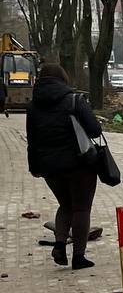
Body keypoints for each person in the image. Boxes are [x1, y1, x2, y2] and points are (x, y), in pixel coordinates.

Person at [26, 63, 101, 269]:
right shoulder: (74, 100)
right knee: (81, 208)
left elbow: (31, 141)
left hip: (50, 168)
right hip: (79, 165)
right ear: (63, 78)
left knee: (65, 205)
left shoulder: (33, 107)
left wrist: (34, 167)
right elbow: (95, 130)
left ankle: (59, 245)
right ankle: (78, 256)